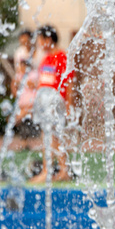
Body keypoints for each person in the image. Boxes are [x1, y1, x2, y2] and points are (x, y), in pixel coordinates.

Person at [30, 25, 74, 183]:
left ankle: (49, 171)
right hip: (44, 102)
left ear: (49, 39)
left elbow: (68, 82)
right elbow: (44, 81)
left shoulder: (61, 56)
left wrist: (68, 104)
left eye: (41, 40)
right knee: (51, 135)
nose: (40, 44)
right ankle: (62, 170)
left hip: (55, 101)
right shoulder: (46, 58)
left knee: (52, 135)